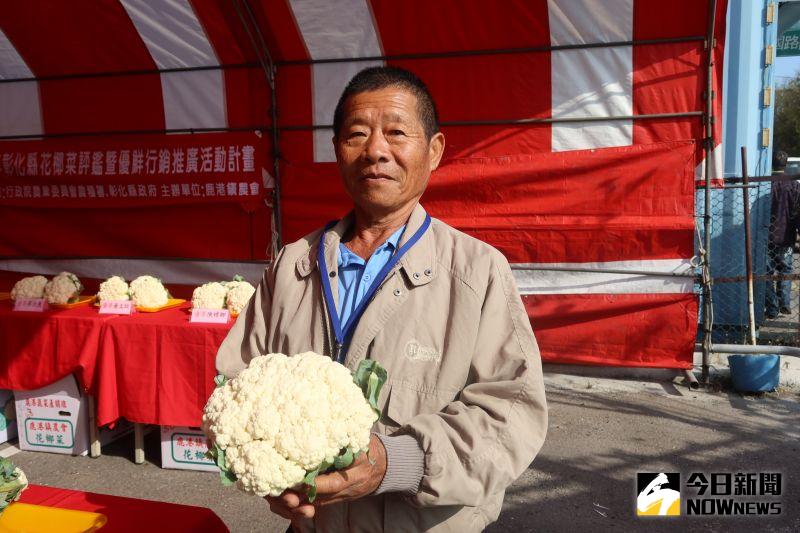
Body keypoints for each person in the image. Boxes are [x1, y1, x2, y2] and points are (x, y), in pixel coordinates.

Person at [215, 66, 548, 532]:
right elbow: (237, 382)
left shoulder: (477, 271)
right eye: (356, 134)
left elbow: (512, 414)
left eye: (396, 132)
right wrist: (272, 474)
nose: (375, 150)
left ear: (434, 151)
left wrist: (395, 463)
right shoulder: (292, 265)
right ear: (337, 151)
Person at [766, 150, 800, 319]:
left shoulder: (766, 182)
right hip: (786, 235)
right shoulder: (793, 184)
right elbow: (797, 211)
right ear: (786, 164)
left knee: (766, 272)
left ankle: (772, 307)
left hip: (767, 235)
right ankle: (785, 302)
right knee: (785, 269)